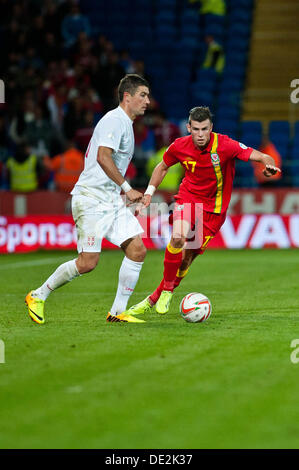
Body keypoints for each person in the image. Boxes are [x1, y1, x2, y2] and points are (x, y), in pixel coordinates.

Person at [128, 106, 281, 316]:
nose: (200, 134)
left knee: (186, 259)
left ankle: (157, 294)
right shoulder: (179, 145)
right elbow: (162, 167)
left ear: (211, 128)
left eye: (205, 129)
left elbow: (263, 156)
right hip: (188, 199)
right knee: (178, 238)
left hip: (214, 210)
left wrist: (269, 166)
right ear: (189, 127)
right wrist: (149, 192)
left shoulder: (226, 145)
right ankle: (165, 293)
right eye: (196, 129)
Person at [25, 74, 150, 324]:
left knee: (137, 250)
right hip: (91, 198)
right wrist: (127, 188)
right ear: (127, 97)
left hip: (110, 200)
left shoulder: (125, 124)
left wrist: (120, 192)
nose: (147, 101)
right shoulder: (115, 120)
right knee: (87, 263)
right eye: (143, 95)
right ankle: (38, 295)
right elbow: (103, 157)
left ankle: (117, 312)